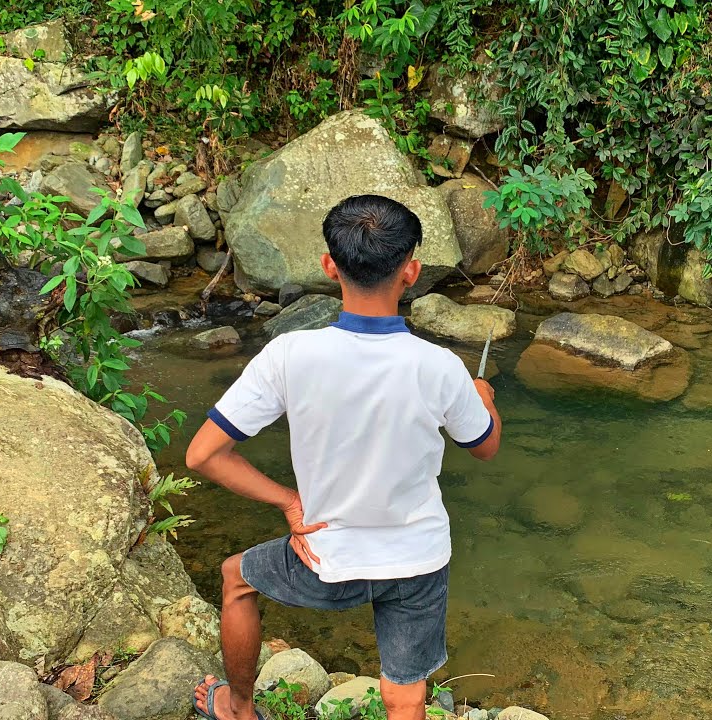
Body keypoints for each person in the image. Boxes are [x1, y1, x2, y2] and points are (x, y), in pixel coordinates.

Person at [186, 195, 502, 720]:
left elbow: (203, 455)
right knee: (406, 692)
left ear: (330, 266)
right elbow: (486, 447)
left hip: (325, 556)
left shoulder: (288, 355)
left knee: (236, 578)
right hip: (417, 559)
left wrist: (289, 502)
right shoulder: (440, 366)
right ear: (411, 272)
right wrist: (483, 399)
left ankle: (238, 708)